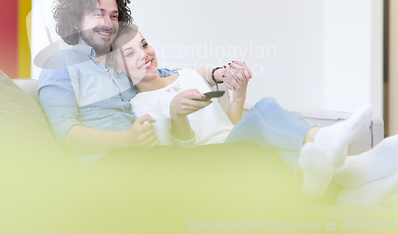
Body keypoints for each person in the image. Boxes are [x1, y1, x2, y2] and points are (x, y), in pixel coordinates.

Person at [109, 26, 392, 201]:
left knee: (278, 120)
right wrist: (176, 115)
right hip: (207, 158)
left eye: (144, 45)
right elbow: (175, 156)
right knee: (266, 107)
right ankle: (331, 153)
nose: (144, 54)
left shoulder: (188, 75)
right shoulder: (142, 104)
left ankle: (337, 182)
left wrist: (239, 94)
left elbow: (229, 124)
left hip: (233, 141)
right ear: (119, 69)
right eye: (130, 53)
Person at [38, 0, 224, 170]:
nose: (108, 23)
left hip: (147, 156)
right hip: (108, 164)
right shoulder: (61, 62)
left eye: (114, 16)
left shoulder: (121, 64)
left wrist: (218, 74)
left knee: (215, 158)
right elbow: (65, 134)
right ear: (75, 22)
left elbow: (167, 73)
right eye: (98, 15)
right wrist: (127, 139)